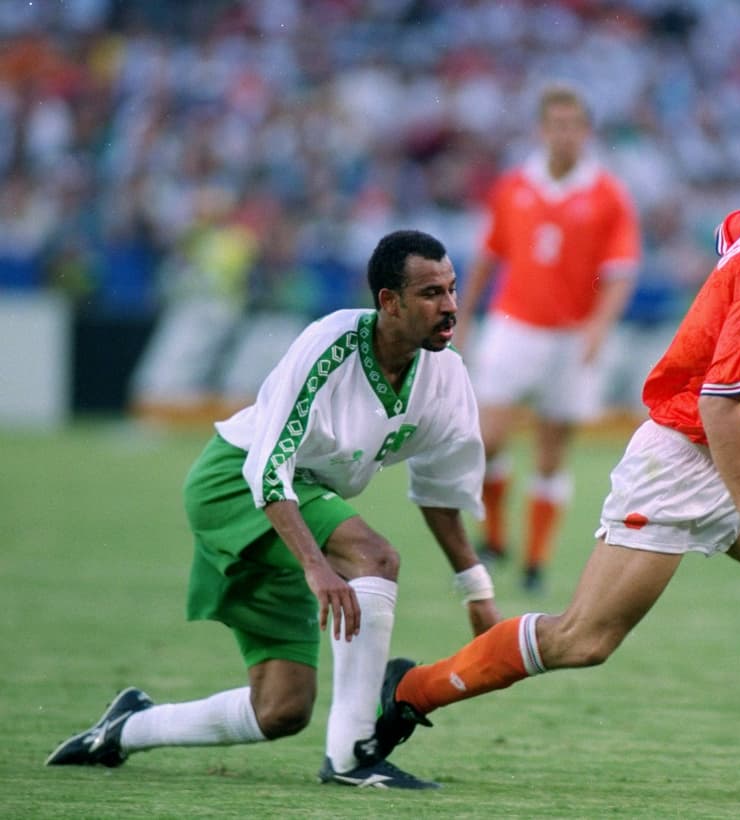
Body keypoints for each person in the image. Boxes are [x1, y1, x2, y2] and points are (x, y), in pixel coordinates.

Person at [365, 114, 740, 807]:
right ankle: (411, 691)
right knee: (583, 641)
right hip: (681, 460)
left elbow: (728, 230)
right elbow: (718, 404)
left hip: (739, 453)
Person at [46, 230, 502, 790]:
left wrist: (476, 588)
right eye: (432, 293)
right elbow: (268, 467)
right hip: (235, 485)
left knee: (281, 710)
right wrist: (316, 565)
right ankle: (353, 756)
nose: (451, 306)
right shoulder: (328, 346)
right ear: (389, 301)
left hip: (296, 509)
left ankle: (125, 729)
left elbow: (439, 487)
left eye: (453, 289)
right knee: (375, 558)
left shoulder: (446, 375)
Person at [456, 83, 642, 593]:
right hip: (513, 326)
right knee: (488, 439)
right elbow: (488, 256)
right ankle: (494, 535)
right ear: (542, 130)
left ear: (586, 131)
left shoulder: (607, 195)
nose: (564, 134)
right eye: (555, 124)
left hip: (570, 336)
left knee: (551, 451)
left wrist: (600, 327)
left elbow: (621, 271)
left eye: (573, 125)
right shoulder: (513, 186)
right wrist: (464, 316)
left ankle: (536, 561)